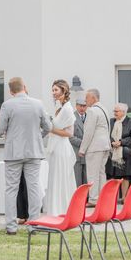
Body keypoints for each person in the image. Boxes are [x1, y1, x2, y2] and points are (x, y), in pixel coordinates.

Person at [0, 77, 51, 235]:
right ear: (25, 87)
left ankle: (11, 227)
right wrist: (37, 136)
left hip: (13, 152)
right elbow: (49, 126)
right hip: (33, 151)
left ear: (11, 91)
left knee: (11, 189)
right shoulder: (38, 104)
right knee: (33, 188)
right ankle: (33, 225)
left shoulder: (7, 105)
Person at [44, 79, 77, 216]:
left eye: (56, 90)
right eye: (52, 90)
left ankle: (62, 209)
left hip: (61, 148)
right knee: (53, 178)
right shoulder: (60, 108)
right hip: (55, 147)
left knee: (60, 178)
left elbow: (69, 133)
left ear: (64, 91)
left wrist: (50, 128)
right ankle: (54, 209)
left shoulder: (68, 109)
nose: (53, 93)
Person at [78, 88, 111, 206]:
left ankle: (93, 199)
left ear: (93, 98)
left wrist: (82, 149)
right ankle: (102, 198)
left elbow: (88, 132)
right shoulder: (104, 109)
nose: (85, 101)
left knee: (92, 173)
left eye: (87, 98)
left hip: (95, 146)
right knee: (101, 173)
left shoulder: (92, 111)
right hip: (105, 145)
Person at [106, 103, 131, 202]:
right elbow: (106, 133)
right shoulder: (111, 121)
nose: (114, 113)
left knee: (125, 176)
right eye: (114, 111)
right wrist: (112, 142)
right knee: (113, 176)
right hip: (113, 153)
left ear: (123, 112)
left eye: (117, 111)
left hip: (125, 154)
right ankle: (113, 198)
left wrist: (121, 142)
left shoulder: (130, 122)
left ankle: (124, 197)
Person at [70, 98, 87, 186]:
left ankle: (87, 198)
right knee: (78, 180)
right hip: (77, 152)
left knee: (87, 179)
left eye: (84, 106)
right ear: (76, 106)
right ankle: (78, 198)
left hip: (88, 153)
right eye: (80, 106)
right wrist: (84, 143)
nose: (82, 108)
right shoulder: (72, 117)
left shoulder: (90, 117)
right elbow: (70, 137)